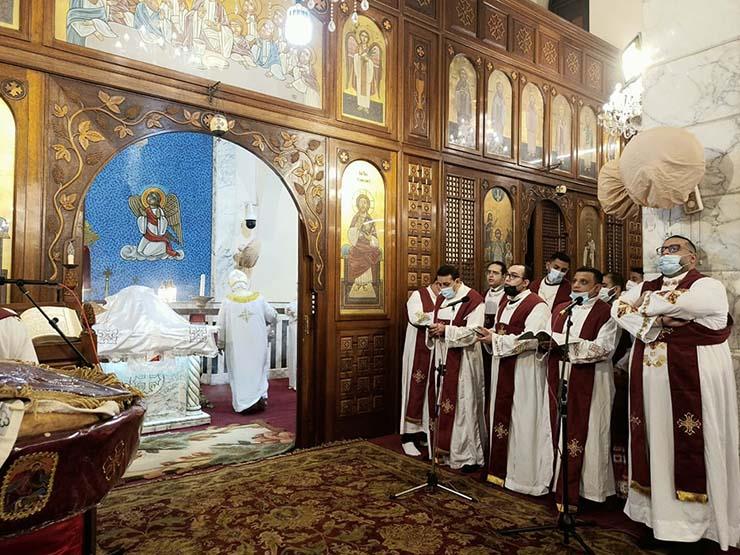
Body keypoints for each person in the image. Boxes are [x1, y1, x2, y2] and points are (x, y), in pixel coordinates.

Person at [611, 235, 739, 550]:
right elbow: (617, 309)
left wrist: (649, 307)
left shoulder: (708, 286)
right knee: (653, 445)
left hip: (691, 381)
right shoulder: (647, 286)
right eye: (663, 250)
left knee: (693, 445)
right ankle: (657, 521)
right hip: (650, 387)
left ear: (692, 258)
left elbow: (693, 305)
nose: (666, 254)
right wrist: (660, 320)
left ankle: (697, 528)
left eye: (674, 249)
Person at [543, 267, 618, 510]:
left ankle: (590, 491)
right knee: (560, 429)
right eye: (574, 280)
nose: (575, 285)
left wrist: (568, 346)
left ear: (597, 288)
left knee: (592, 431)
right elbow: (546, 335)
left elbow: (604, 348)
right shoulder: (562, 309)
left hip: (592, 379)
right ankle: (557, 483)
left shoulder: (606, 312)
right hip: (562, 373)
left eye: (583, 282)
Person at [477, 264, 552, 495]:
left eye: (514, 276)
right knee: (501, 418)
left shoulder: (537, 305)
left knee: (522, 421)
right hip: (502, 367)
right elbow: (500, 333)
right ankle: (501, 471)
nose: (508, 279)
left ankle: (524, 479)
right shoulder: (505, 303)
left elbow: (533, 340)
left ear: (526, 282)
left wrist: (496, 340)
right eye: (508, 275)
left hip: (525, 371)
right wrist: (490, 336)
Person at [425, 265, 486, 472]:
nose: (443, 288)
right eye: (440, 284)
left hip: (464, 360)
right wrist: (433, 331)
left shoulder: (473, 300)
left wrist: (446, 330)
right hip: (442, 358)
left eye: (447, 284)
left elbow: (475, 333)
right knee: (442, 402)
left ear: (458, 281)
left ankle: (468, 456)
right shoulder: (441, 298)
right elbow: (435, 324)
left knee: (464, 405)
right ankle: (443, 450)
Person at [217, 269, 277, 414]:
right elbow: (272, 315)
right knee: (257, 371)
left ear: (232, 284)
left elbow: (221, 326)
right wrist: (269, 327)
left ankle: (243, 404)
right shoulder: (259, 298)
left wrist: (221, 343)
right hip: (257, 344)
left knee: (240, 373)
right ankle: (259, 400)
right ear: (245, 282)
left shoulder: (227, 301)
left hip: (236, 347)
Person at [399, 279, 441, 457]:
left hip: (436, 352)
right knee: (414, 389)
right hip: (417, 351)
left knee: (432, 392)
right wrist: (439, 319)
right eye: (443, 286)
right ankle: (408, 436)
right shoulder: (418, 295)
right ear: (437, 283)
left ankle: (424, 432)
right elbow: (416, 317)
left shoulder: (446, 298)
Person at [285, 296, 298, 391]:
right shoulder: (293, 301)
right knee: (293, 353)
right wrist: (290, 311)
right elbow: (287, 309)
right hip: (293, 328)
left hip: (302, 328)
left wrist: (295, 313)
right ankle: (293, 381)